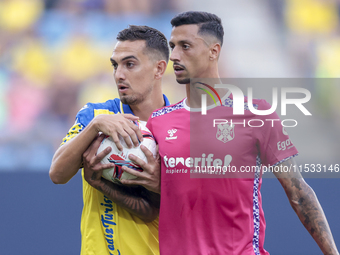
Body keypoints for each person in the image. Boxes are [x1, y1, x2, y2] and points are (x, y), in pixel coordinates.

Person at [121, 11, 339, 255]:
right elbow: (152, 204)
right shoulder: (159, 122)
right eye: (172, 47)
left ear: (213, 51)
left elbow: (298, 192)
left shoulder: (256, 114)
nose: (174, 56)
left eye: (185, 46)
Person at [49, 25, 170, 255]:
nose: (119, 74)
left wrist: (161, 185)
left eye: (130, 64)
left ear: (158, 68)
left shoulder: (179, 126)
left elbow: (194, 206)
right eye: (115, 65)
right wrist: (95, 127)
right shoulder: (95, 115)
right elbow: (57, 174)